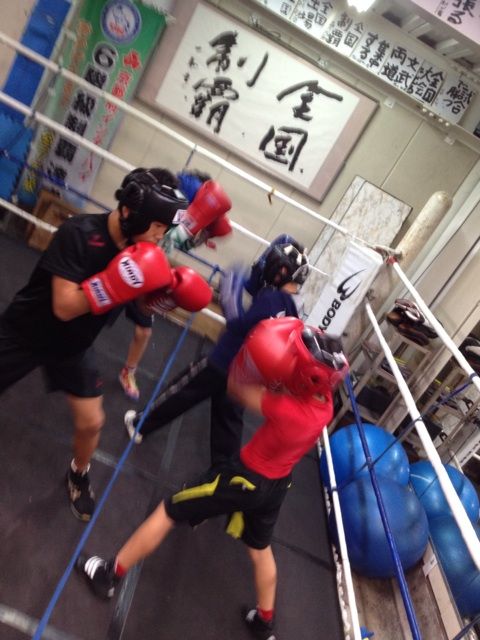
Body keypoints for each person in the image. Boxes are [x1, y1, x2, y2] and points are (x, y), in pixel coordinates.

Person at [76, 316, 349, 640]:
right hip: (276, 487)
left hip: (241, 480)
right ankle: (264, 622)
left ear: (308, 378)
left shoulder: (283, 408)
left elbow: (236, 387)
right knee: (260, 549)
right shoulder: (325, 406)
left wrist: (248, 351)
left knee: (168, 509)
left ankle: (108, 575)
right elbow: (299, 381)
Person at [0, 167, 223, 521]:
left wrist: (163, 298)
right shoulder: (79, 233)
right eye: (157, 225)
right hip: (27, 331)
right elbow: (63, 307)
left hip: (72, 347)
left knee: (92, 422)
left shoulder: (143, 249)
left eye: (165, 228)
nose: (161, 235)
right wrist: (114, 282)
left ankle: (78, 473)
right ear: (131, 211)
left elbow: (139, 304)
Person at [123, 236, 310, 466]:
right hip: (247, 375)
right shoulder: (293, 308)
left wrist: (230, 293)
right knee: (228, 422)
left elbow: (238, 324)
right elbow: (256, 288)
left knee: (182, 390)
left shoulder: (271, 298)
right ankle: (224, 469)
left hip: (223, 360)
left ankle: (140, 425)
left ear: (281, 270)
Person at [118, 169, 233, 401]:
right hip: (130, 254)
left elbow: (181, 243)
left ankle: (127, 372)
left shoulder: (189, 217)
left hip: (148, 265)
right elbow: (169, 236)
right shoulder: (173, 203)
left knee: (144, 330)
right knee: (102, 304)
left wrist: (203, 233)